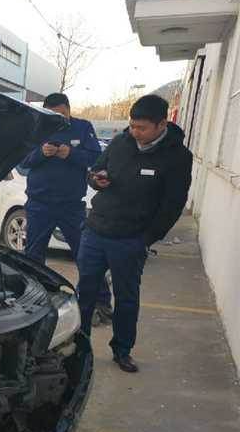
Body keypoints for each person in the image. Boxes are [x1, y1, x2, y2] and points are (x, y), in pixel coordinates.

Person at [77, 95, 193, 373]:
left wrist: (146, 239)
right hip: (96, 231)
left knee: (127, 298)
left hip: (130, 239)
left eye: (142, 128)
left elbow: (172, 205)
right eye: (132, 126)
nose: (135, 132)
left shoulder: (177, 157)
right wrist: (96, 180)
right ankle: (79, 347)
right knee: (85, 293)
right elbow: (95, 171)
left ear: (162, 124)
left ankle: (122, 350)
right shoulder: (120, 143)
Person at [19, 93, 113, 323]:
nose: (58, 119)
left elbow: (96, 158)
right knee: (33, 256)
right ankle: (34, 301)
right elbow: (22, 161)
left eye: (62, 114)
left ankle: (100, 302)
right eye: (52, 115)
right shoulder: (36, 128)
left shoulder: (83, 128)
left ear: (69, 110)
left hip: (71, 206)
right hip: (39, 204)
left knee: (86, 255)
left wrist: (70, 154)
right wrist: (41, 153)